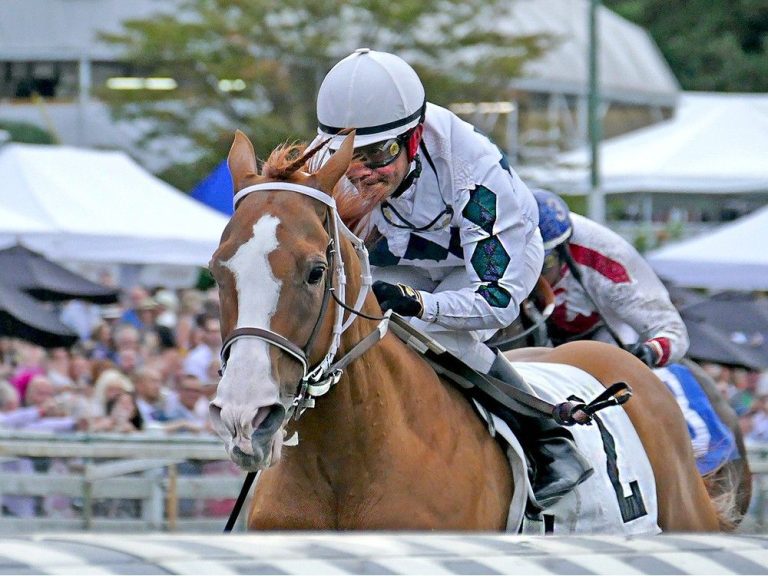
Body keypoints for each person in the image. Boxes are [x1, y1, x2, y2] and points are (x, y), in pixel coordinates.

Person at [312, 48, 591, 508]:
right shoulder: (340, 155)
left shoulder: (474, 178)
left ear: (415, 138)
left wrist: (421, 304)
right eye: (348, 155)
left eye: (378, 155)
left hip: (492, 264)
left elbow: (496, 301)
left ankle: (550, 440)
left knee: (430, 331)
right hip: (412, 250)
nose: (360, 172)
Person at [533, 189, 690, 367]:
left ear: (564, 248)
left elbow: (672, 331)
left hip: (604, 337)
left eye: (543, 264)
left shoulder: (610, 263)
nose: (533, 274)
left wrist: (650, 352)